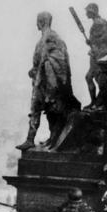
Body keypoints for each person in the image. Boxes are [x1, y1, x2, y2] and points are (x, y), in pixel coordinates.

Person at [16, 12, 80, 151]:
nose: (36, 24)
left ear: (41, 22)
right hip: (42, 80)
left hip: (48, 83)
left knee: (47, 110)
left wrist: (48, 75)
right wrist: (34, 70)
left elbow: (57, 59)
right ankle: (34, 139)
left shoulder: (51, 37)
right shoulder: (47, 38)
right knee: (41, 110)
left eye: (37, 21)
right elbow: (43, 59)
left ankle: (45, 139)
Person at [84, 3, 107, 110]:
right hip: (103, 54)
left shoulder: (97, 24)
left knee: (96, 79)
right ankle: (96, 102)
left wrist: (91, 43)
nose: (86, 13)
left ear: (92, 12)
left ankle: (98, 103)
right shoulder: (103, 21)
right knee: (93, 78)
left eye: (87, 11)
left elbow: (103, 39)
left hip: (98, 55)